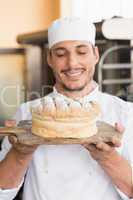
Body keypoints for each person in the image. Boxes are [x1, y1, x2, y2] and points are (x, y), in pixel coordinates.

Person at [0, 16, 133, 200]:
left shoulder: (125, 113)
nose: (72, 63)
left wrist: (108, 158)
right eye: (61, 54)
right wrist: (20, 154)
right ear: (49, 59)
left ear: (95, 54)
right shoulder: (27, 113)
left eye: (82, 52)